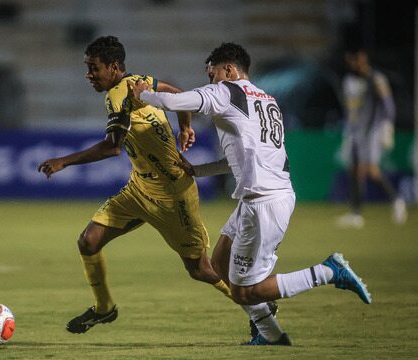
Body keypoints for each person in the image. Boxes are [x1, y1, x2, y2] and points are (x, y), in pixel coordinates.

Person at [129, 42, 371, 345]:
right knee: (218, 264)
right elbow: (240, 160)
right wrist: (198, 171)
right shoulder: (266, 100)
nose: (210, 82)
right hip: (262, 197)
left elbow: (175, 100)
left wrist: (143, 94)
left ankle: (328, 271)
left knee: (247, 290)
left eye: (212, 74)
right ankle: (270, 335)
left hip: (263, 203)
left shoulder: (227, 91)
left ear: (229, 69)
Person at [37, 36, 233, 334]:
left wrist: (64, 160)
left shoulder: (118, 95)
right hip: (139, 189)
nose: (89, 75)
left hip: (172, 194)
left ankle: (252, 301)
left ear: (114, 67)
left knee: (200, 269)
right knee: (88, 241)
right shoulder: (140, 81)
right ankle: (104, 309)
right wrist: (186, 125)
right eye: (87, 68)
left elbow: (112, 147)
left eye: (94, 68)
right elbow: (179, 94)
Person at [337, 47, 406, 228]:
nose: (351, 64)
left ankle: (397, 201)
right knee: (356, 170)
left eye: (354, 60)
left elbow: (388, 104)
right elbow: (349, 108)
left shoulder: (376, 78)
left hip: (372, 131)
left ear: (362, 59)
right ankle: (356, 214)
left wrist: (388, 126)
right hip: (355, 132)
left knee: (372, 171)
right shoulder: (349, 80)